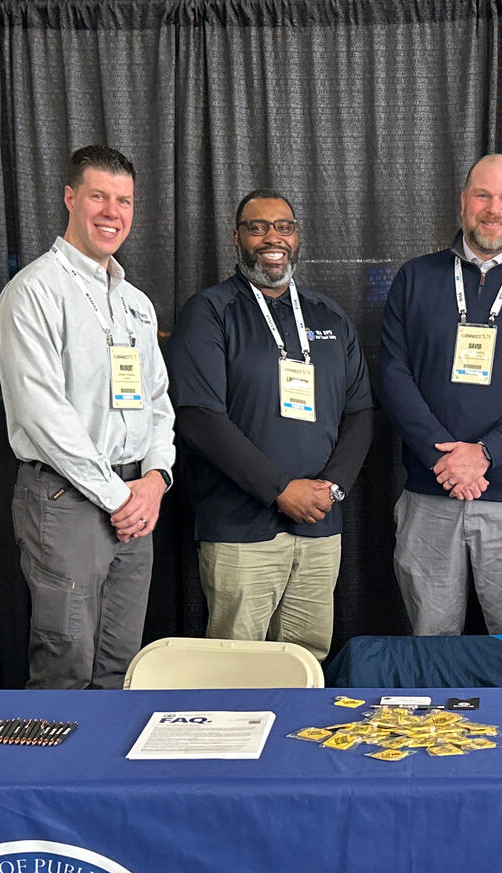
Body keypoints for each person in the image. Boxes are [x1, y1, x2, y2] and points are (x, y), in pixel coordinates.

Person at [379, 153, 502, 636]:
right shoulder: (416, 278)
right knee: (430, 646)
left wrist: (486, 454)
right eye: (483, 195)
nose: (495, 208)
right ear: (463, 204)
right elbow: (393, 375)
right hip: (431, 493)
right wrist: (445, 459)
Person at [0, 144, 174, 689]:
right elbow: (44, 417)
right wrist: (121, 498)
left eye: (123, 200)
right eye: (98, 196)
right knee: (65, 662)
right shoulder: (33, 293)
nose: (111, 212)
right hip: (66, 502)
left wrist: (156, 479)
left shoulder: (136, 303)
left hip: (136, 500)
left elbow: (158, 401)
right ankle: (52, 776)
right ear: (70, 198)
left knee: (121, 664)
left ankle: (103, 776)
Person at [165, 189, 373, 661]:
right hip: (241, 531)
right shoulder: (210, 311)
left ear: (297, 238)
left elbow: (360, 412)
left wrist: (332, 488)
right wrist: (280, 489)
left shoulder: (330, 316)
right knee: (237, 671)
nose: (271, 238)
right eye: (257, 227)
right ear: (237, 238)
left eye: (284, 227)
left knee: (307, 663)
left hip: (320, 527)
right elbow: (199, 417)